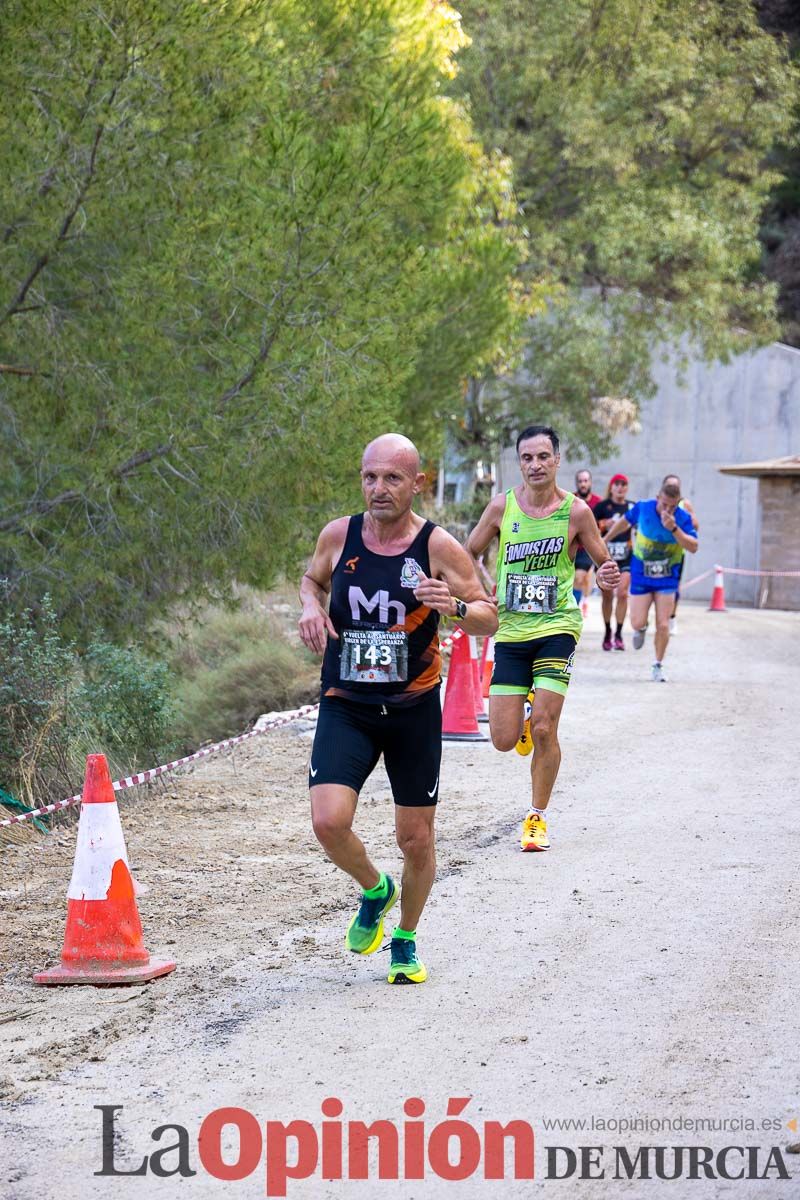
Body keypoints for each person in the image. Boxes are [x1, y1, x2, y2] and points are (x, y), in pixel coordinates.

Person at [299, 434, 497, 984]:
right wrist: (309, 608)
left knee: (416, 839)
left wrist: (453, 606)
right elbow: (311, 580)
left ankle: (405, 937)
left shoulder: (438, 548)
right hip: (347, 702)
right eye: (370, 477)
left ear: (417, 483)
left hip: (412, 709)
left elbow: (488, 616)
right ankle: (375, 888)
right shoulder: (340, 535)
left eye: (391, 478)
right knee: (328, 820)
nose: (378, 489)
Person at [466, 426, 619, 852]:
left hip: (557, 628)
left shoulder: (576, 512)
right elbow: (468, 553)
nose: (535, 465)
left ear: (556, 460)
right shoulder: (501, 508)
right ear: (520, 463)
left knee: (547, 728)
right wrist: (482, 590)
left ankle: (537, 817)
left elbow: (604, 565)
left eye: (543, 457)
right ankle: (525, 714)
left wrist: (608, 575)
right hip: (512, 631)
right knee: (501, 739)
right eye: (527, 458)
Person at [603, 480, 698, 682]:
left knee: (663, 625)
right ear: (658, 498)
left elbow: (693, 546)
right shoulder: (643, 508)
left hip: (667, 577)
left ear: (678, 503)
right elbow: (624, 522)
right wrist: (605, 539)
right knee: (636, 622)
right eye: (664, 504)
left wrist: (674, 529)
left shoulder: (682, 518)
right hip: (642, 574)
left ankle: (657, 664)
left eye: (672, 506)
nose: (667, 509)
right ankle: (642, 627)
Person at [592, 473, 634, 650]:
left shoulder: (631, 507)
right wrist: (604, 525)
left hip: (626, 555)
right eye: (617, 484)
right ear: (611, 487)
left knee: (623, 593)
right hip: (605, 556)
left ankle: (619, 633)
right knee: (607, 594)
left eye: (624, 484)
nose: (620, 487)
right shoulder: (602, 506)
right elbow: (590, 527)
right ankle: (608, 631)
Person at [662, 474, 700, 634]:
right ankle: (658, 617)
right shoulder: (659, 503)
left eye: (675, 485)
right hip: (657, 551)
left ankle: (671, 617)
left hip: (676, 552)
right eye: (669, 485)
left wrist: (680, 524)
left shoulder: (685, 505)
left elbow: (695, 527)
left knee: (673, 587)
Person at [572, 469, 601, 615]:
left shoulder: (598, 502)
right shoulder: (570, 500)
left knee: (581, 576)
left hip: (588, 547)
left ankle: (579, 603)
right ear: (577, 483)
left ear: (590, 482)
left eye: (585, 481)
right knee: (577, 580)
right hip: (571, 546)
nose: (583, 484)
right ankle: (581, 600)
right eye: (580, 481)